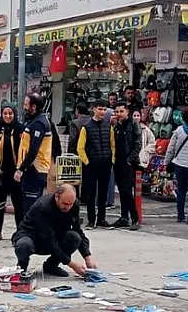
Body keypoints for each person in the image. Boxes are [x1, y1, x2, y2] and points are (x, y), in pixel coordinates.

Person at [12, 184, 97, 278]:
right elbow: (48, 240)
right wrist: (71, 263)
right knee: (24, 245)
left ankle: (51, 266)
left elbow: (78, 230)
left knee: (75, 237)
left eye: (70, 204)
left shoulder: (74, 204)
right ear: (57, 197)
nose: (68, 207)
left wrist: (87, 256)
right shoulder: (42, 207)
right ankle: (21, 267)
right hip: (33, 237)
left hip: (55, 236)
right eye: (65, 204)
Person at [0, 104, 23, 240]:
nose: (8, 116)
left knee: (19, 204)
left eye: (10, 113)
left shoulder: (20, 129)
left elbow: (24, 151)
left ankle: (21, 232)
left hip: (16, 173)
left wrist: (20, 169)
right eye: (5, 113)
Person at [76, 99, 114, 229]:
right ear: (94, 109)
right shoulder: (86, 127)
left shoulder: (108, 126)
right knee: (91, 194)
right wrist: (87, 162)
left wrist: (112, 160)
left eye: (104, 109)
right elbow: (80, 148)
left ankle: (102, 219)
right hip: (91, 165)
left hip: (106, 164)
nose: (102, 112)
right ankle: (91, 220)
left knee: (103, 193)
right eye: (100, 109)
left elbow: (112, 144)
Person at [15, 93, 54, 211]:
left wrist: (21, 169)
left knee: (30, 206)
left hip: (35, 169)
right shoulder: (34, 121)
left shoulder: (39, 123)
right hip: (32, 169)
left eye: (26, 104)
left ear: (34, 107)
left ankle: (31, 229)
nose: (24, 107)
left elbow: (33, 150)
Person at [111, 103, 142, 230]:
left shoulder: (133, 124)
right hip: (118, 161)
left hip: (128, 162)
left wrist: (130, 159)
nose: (119, 114)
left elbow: (138, 143)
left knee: (127, 191)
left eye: (121, 111)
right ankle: (124, 217)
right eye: (117, 111)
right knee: (122, 191)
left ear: (127, 112)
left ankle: (135, 217)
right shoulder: (117, 125)